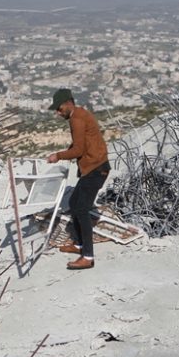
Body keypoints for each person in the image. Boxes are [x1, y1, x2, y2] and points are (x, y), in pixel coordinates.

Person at [47, 88, 110, 270]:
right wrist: (68, 151)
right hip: (93, 167)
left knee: (81, 209)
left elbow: (78, 150)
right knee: (74, 203)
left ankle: (88, 257)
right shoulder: (80, 113)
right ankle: (79, 245)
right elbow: (79, 143)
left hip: (96, 169)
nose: (58, 114)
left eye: (59, 109)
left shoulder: (76, 119)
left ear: (68, 103)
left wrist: (57, 156)